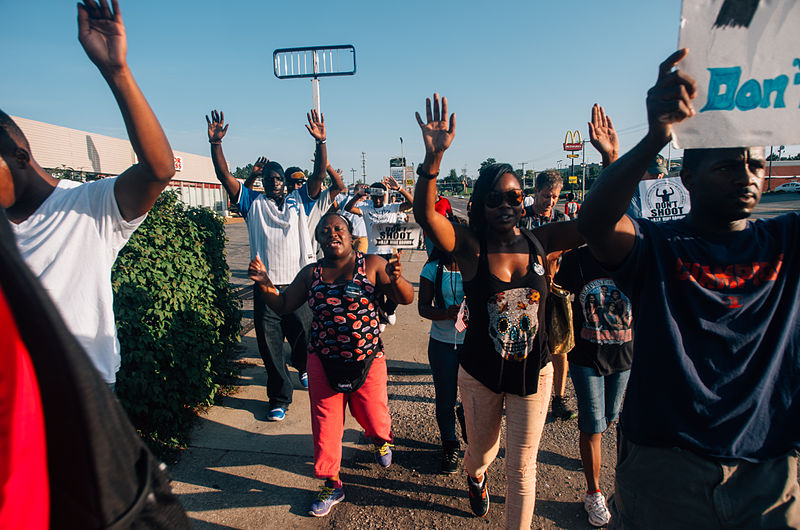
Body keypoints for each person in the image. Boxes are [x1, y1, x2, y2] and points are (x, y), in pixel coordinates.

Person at [578, 49, 800, 529]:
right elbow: (594, 223)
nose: (746, 176)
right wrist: (655, 137)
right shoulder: (657, 245)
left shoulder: (787, 241)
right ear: (688, 177)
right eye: (727, 167)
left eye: (756, 165)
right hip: (666, 466)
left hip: (766, 469)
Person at [413, 93, 583, 528]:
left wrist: (614, 161)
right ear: (480, 205)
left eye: (514, 196)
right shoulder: (470, 246)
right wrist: (433, 160)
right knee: (482, 453)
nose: (507, 204)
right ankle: (475, 476)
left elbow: (595, 223)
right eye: (496, 198)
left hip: (533, 373)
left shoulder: (542, 240)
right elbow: (426, 216)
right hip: (480, 373)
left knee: (523, 470)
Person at [4, 0, 177, 389]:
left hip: (81, 397)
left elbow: (159, 170)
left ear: (19, 157)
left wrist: (117, 72)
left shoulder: (87, 205)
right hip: (14, 399)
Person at [247, 212, 414, 517]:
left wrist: (397, 278)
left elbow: (406, 299)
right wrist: (265, 283)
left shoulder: (373, 264)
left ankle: (379, 439)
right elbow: (283, 304)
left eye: (339, 228)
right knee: (326, 426)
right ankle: (332, 483)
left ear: (351, 235)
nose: (332, 233)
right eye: (325, 231)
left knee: (374, 417)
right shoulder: (311, 274)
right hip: (323, 360)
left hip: (368, 360)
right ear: (319, 240)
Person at [207, 108, 345, 421]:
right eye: (268, 179)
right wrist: (216, 145)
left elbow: (319, 176)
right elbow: (224, 176)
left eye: (278, 178)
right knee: (270, 348)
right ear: (263, 183)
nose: (273, 183)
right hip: (266, 287)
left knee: (304, 338)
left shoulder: (300, 201)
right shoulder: (252, 203)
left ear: (284, 181)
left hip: (298, 286)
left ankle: (304, 368)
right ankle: (279, 398)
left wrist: (321, 142)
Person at [555, 246, 632, 527]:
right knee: (592, 424)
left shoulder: (633, 254)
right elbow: (556, 293)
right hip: (585, 357)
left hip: (623, 356)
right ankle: (593, 492)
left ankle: (591, 458)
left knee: (609, 416)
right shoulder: (577, 259)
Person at [520, 171, 575, 421]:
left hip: (556, 290)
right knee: (527, 343)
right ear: (536, 192)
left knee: (560, 346)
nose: (550, 201)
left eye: (554, 197)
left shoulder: (562, 219)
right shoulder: (523, 219)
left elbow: (571, 248)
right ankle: (526, 390)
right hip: (528, 292)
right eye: (546, 196)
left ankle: (559, 398)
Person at [418, 247, 467, 474]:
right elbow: (423, 307)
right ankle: (450, 444)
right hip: (442, 343)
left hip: (473, 345)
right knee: (445, 399)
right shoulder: (432, 269)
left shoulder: (475, 264)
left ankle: (466, 418)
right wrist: (446, 313)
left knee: (474, 398)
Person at [344, 176, 413, 325]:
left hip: (390, 253)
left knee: (395, 285)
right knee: (375, 288)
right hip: (372, 254)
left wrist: (399, 189)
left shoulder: (392, 207)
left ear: (384, 196)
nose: (377, 200)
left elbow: (412, 203)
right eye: (374, 197)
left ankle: (390, 309)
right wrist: (358, 195)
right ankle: (381, 316)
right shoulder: (366, 208)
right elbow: (348, 208)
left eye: (380, 197)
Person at [333, 182, 369, 253]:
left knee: (360, 258)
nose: (366, 194)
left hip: (361, 238)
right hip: (347, 237)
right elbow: (334, 198)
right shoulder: (346, 199)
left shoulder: (367, 203)